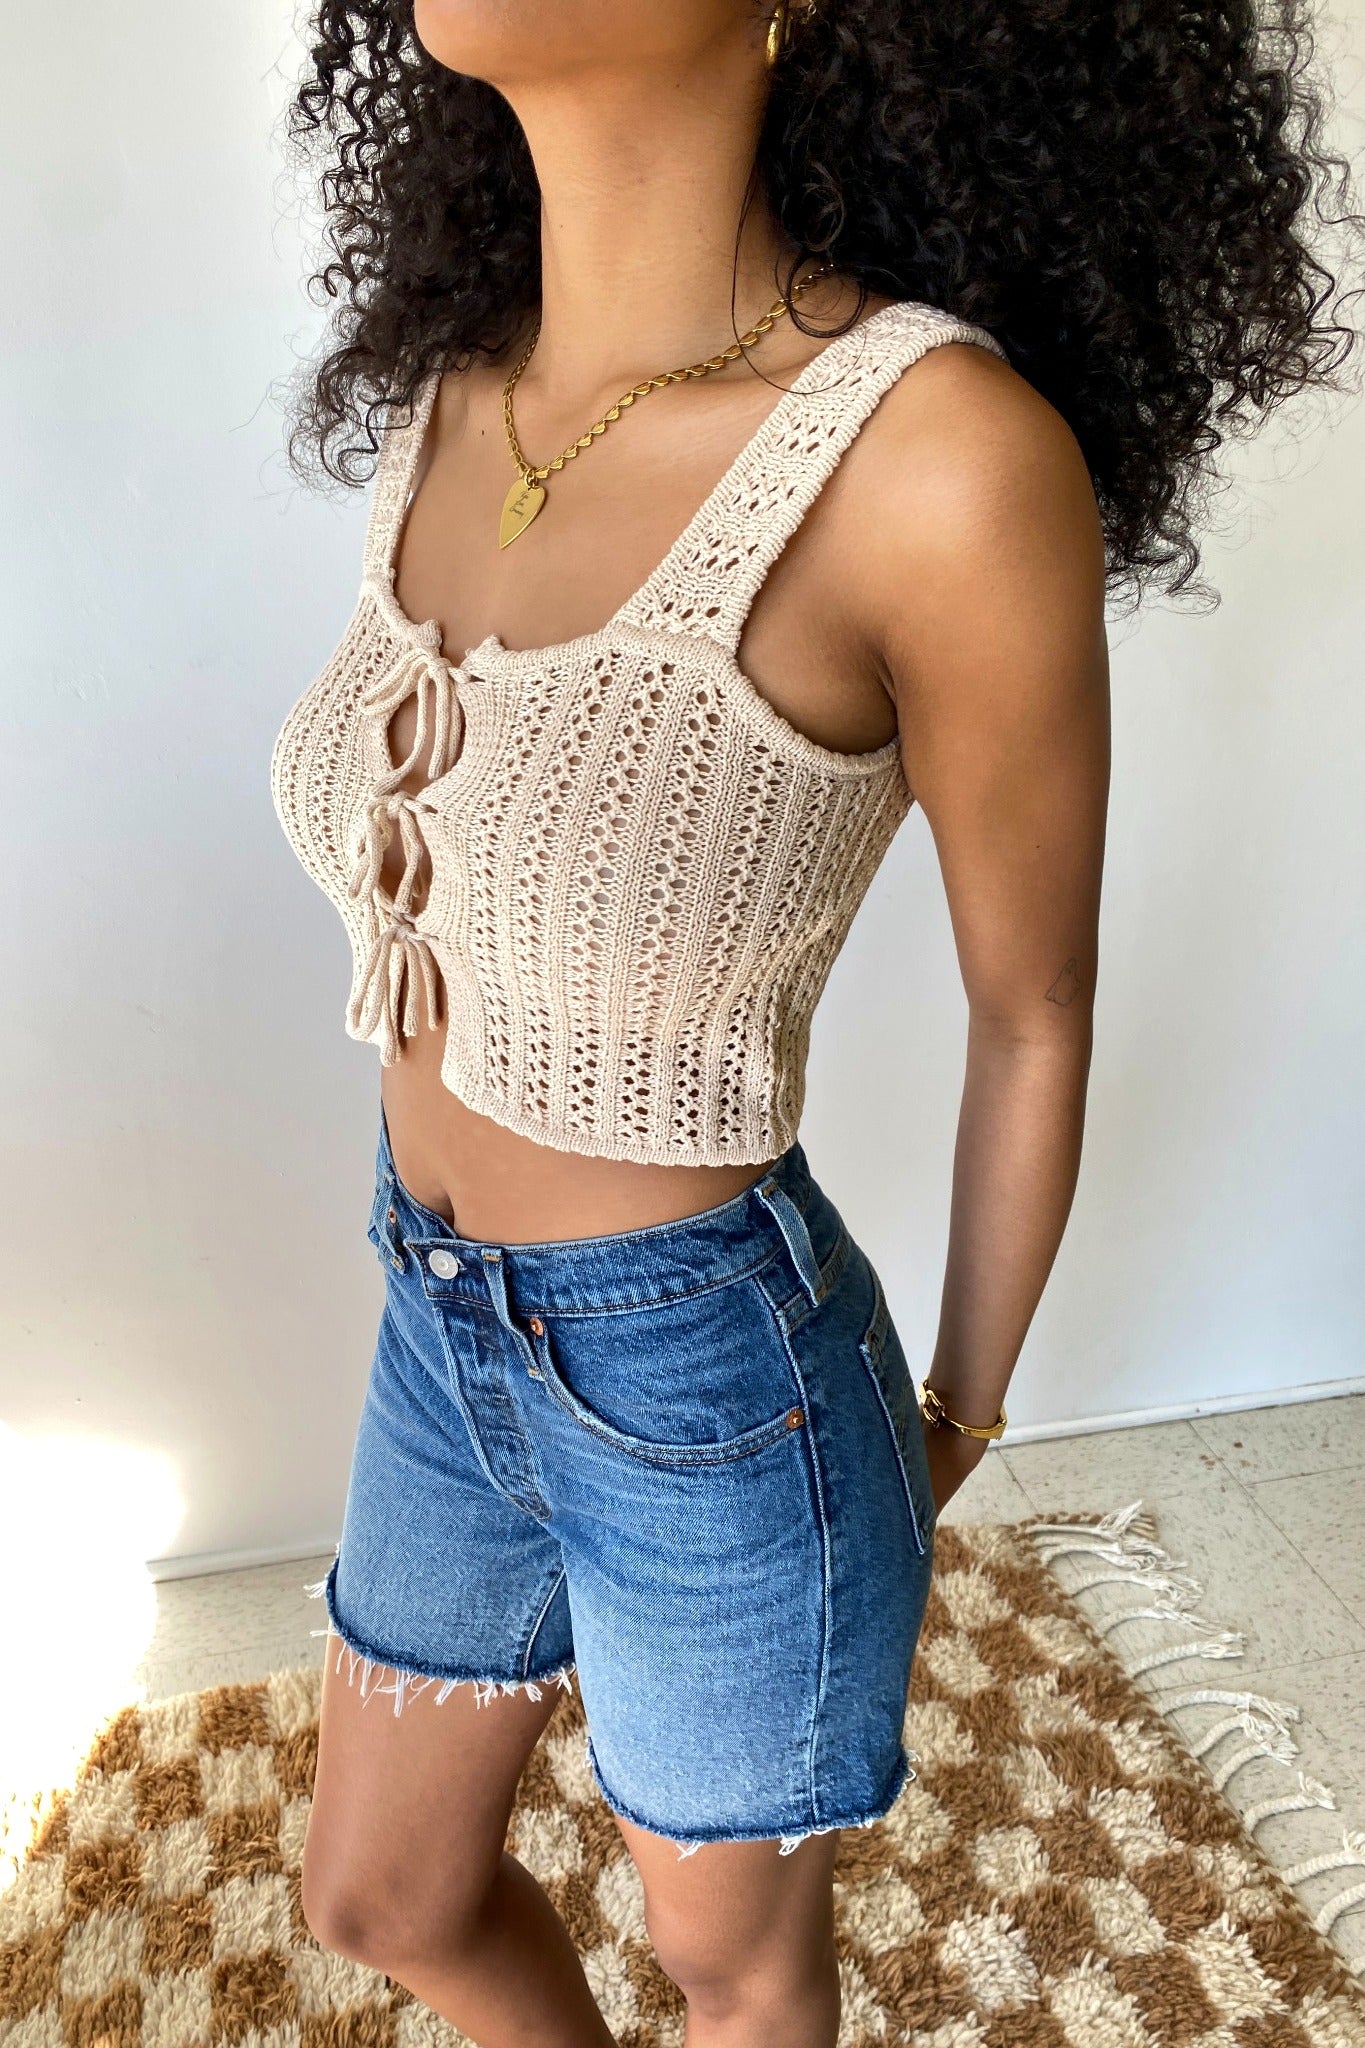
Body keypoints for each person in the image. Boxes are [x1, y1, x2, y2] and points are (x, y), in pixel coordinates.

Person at [269, 1, 1358, 2040]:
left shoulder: (934, 459)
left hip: (708, 1373)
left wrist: (953, 1408)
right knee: (380, 1888)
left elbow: (1030, 1001)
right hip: (434, 1316)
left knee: (731, 1967)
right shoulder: (460, 390)